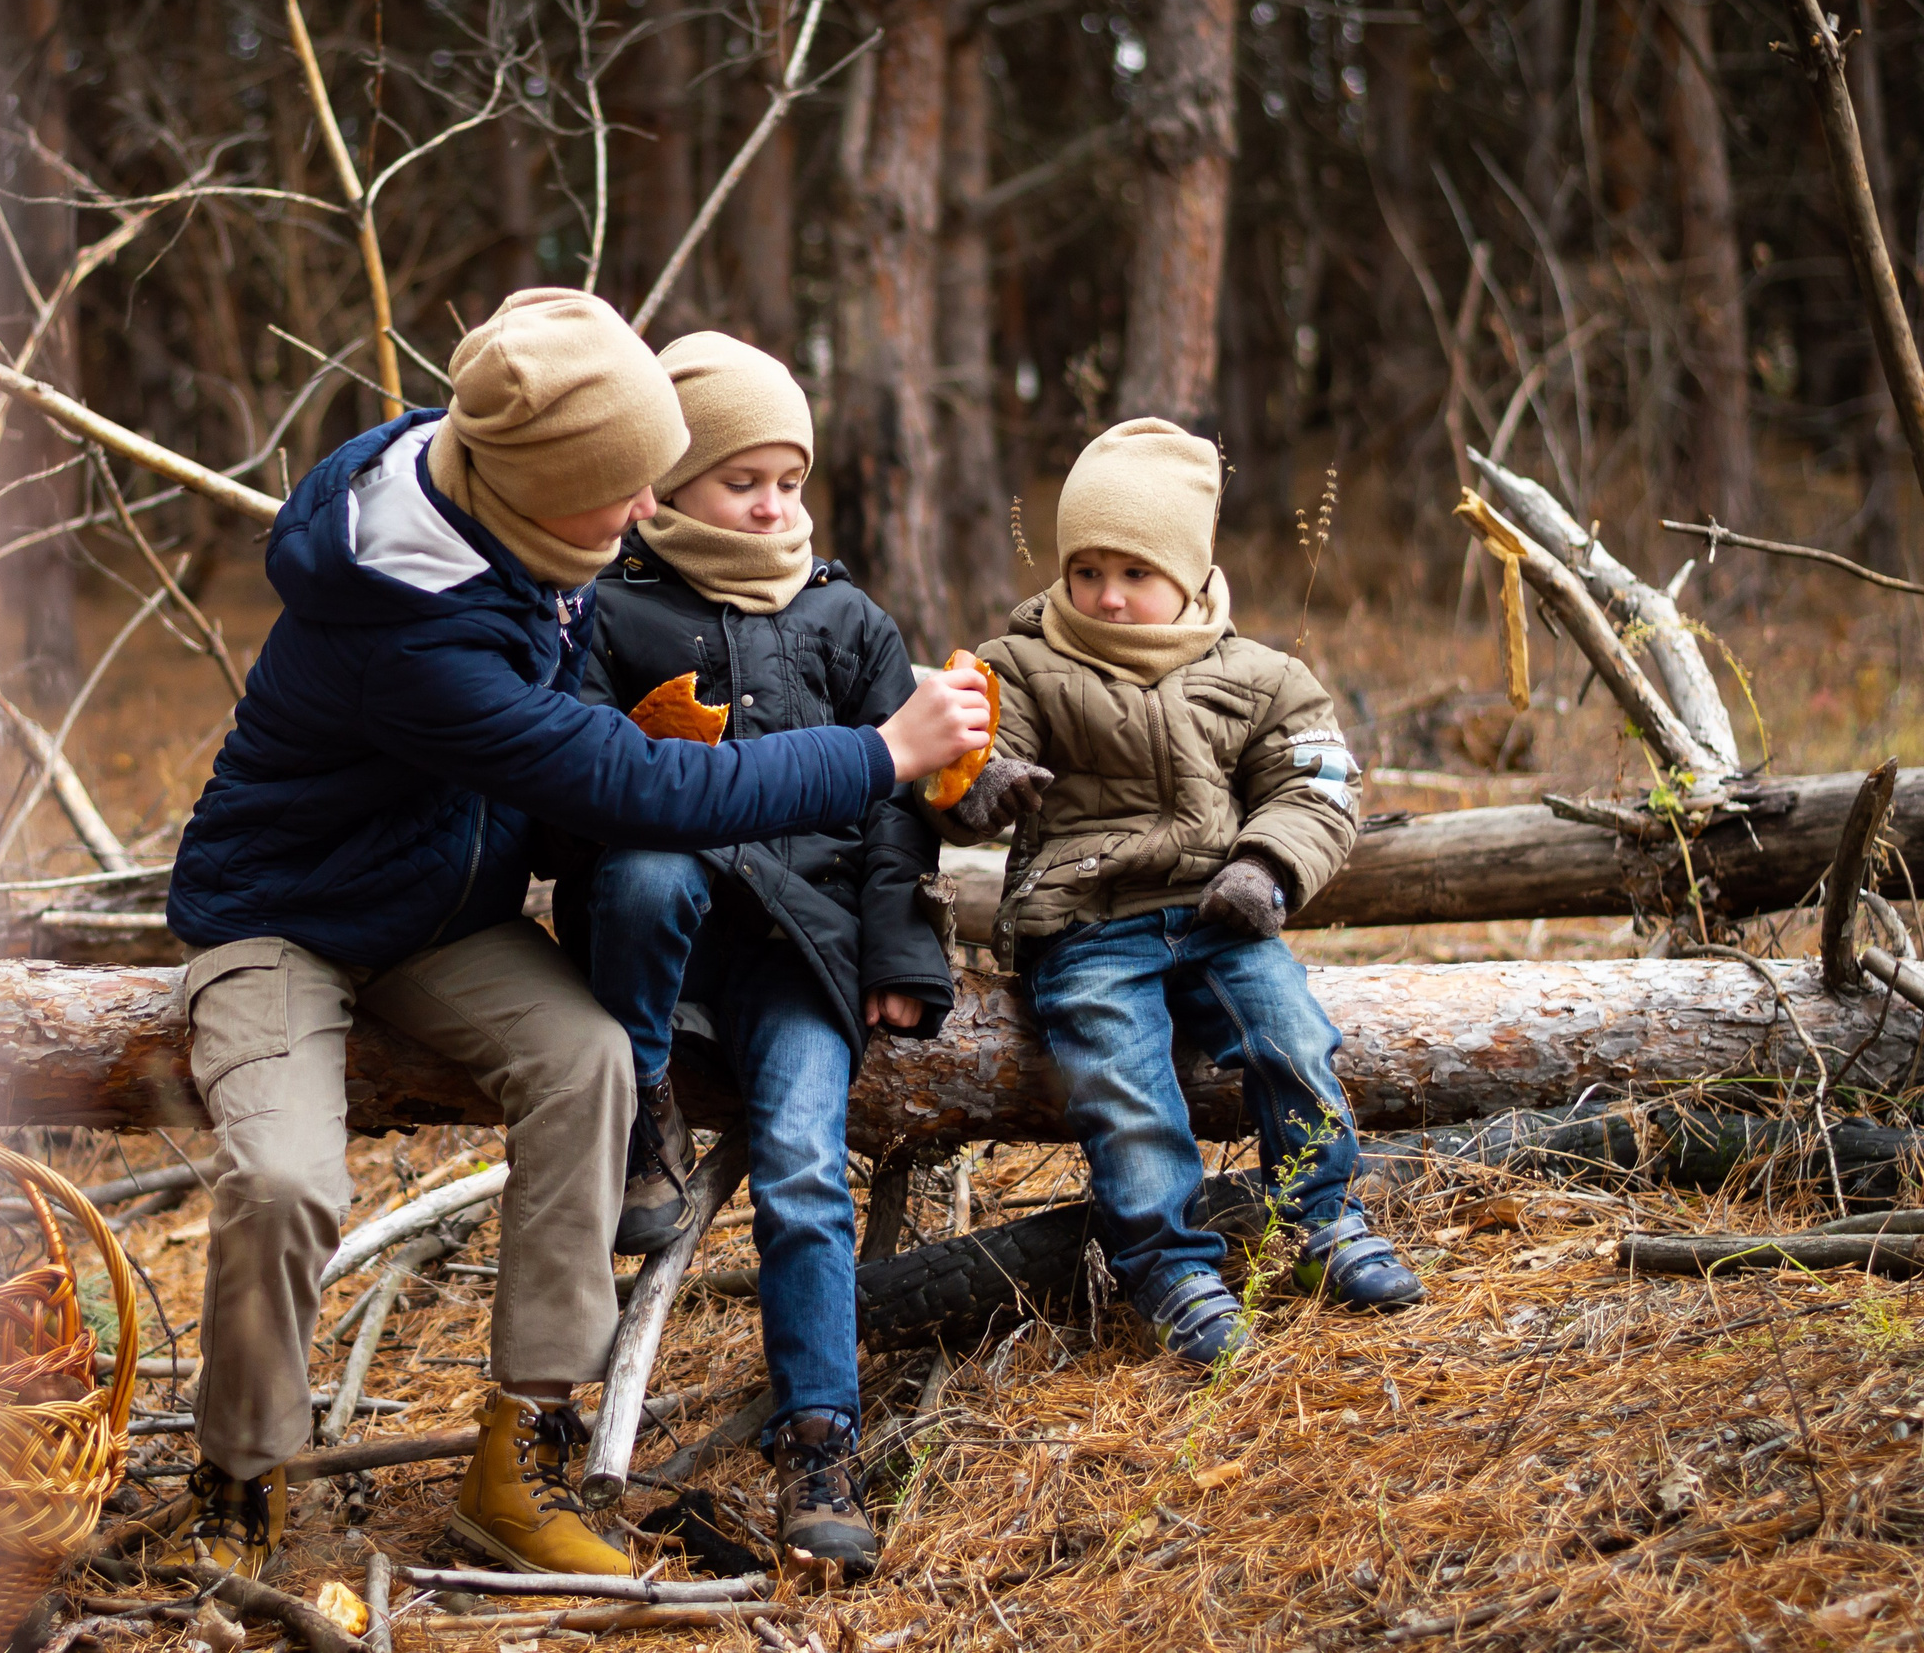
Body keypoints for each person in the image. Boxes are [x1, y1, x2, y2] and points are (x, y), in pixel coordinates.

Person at [161, 289, 992, 1580]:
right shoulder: (410, 633)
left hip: (444, 916)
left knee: (594, 1061)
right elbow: (637, 786)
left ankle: (518, 1454)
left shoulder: (491, 468)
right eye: (627, 500)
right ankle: (244, 1470)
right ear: (541, 498)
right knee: (283, 1182)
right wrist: (884, 752)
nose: (644, 518)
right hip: (286, 923)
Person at [557, 332, 950, 1576]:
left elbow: (898, 807)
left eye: (789, 477)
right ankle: (644, 1102)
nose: (772, 502)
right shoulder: (610, 610)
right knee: (645, 866)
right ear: (668, 485)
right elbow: (565, 793)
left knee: (800, 1167)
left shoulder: (846, 618)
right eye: (743, 480)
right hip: (659, 943)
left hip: (803, 949)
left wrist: (897, 950)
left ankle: (818, 1438)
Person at [937, 417, 1423, 1369]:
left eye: (1134, 574)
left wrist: (1267, 868)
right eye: (1087, 573)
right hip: (1087, 928)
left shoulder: (1264, 676)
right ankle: (1167, 1264)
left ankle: (1322, 1214)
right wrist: (977, 779)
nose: (1107, 598)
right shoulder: (1021, 662)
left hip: (1221, 915)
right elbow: (972, 749)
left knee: (1294, 1036)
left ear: (1193, 574)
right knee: (1123, 1084)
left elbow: (1317, 786)